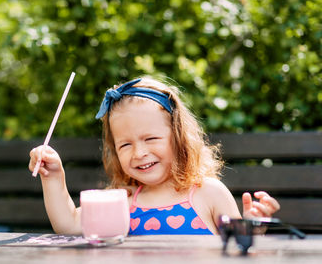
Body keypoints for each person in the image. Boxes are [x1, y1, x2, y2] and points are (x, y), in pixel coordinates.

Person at [28, 76, 280, 235]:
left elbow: (237, 244)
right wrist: (53, 177)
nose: (139, 153)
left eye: (151, 139)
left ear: (179, 137)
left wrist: (252, 226)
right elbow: (69, 224)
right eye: (125, 145)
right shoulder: (123, 202)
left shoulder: (208, 193)